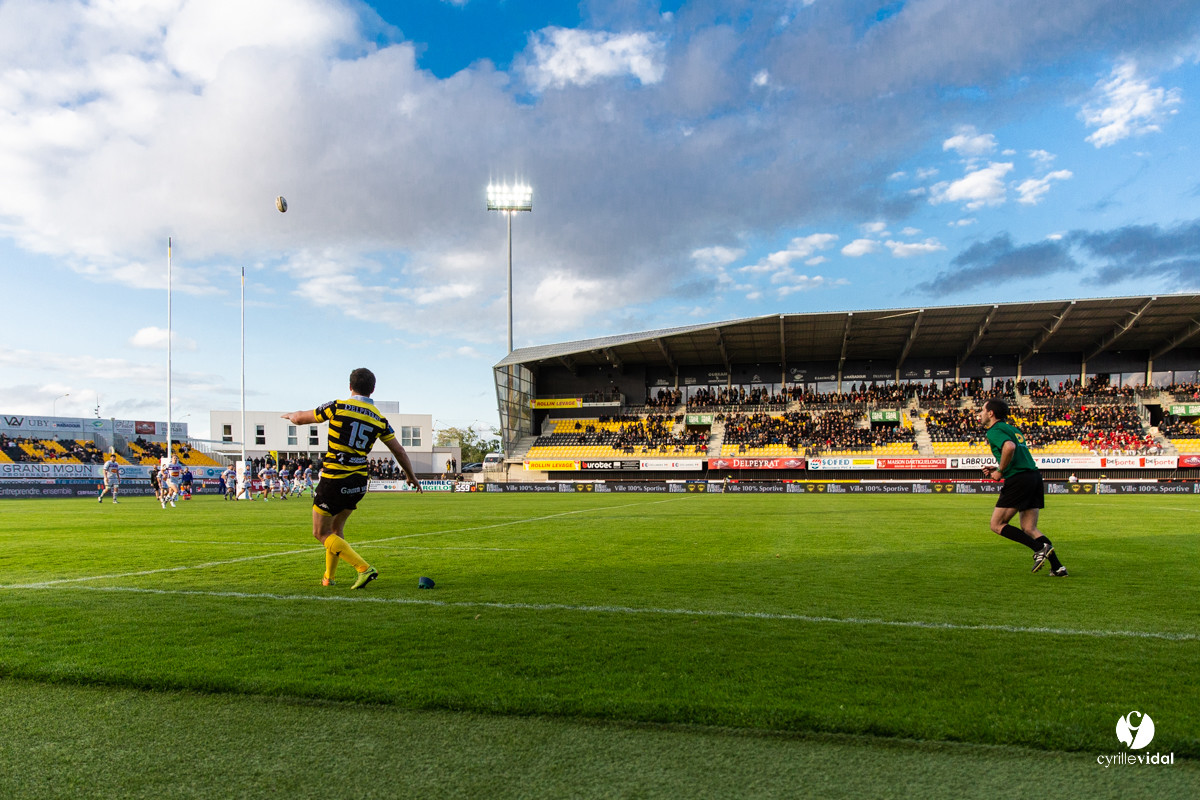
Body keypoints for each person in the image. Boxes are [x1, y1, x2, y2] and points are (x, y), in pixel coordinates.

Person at [282, 367, 422, 589]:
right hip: (358, 482)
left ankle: (364, 568)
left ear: (350, 386)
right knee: (336, 531)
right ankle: (328, 577)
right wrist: (411, 476)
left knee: (320, 532)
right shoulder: (379, 419)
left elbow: (300, 418)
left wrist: (290, 415)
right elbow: (399, 451)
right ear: (372, 389)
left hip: (334, 479)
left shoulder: (338, 406)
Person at [978, 399, 1067, 577]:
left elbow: (1009, 447)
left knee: (997, 524)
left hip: (1019, 479)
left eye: (982, 410)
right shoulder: (1013, 429)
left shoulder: (994, 430)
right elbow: (1015, 453)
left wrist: (1000, 471)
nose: (979, 414)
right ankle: (1058, 568)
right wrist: (998, 467)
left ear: (991, 413)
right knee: (1029, 528)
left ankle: (1038, 548)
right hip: (1033, 477)